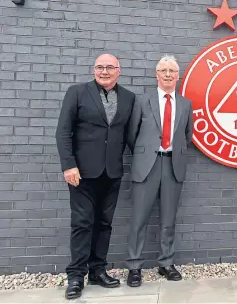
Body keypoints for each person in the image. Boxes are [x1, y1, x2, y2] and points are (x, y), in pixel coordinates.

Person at [55, 54, 135, 299]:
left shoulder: (129, 98)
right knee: (82, 224)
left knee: (104, 224)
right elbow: (63, 132)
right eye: (100, 67)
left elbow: (128, 135)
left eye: (110, 67)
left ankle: (98, 270)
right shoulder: (77, 92)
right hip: (82, 173)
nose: (105, 71)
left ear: (119, 70)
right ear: (94, 70)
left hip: (112, 173)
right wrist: (69, 165)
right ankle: (76, 276)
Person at [125, 55, 193, 287]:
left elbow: (188, 135)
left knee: (168, 218)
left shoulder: (185, 104)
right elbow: (131, 135)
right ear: (156, 74)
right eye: (163, 70)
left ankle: (166, 263)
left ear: (177, 75)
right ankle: (134, 266)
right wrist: (147, 153)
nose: (167, 74)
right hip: (147, 165)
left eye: (171, 71)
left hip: (173, 164)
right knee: (139, 219)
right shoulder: (142, 101)